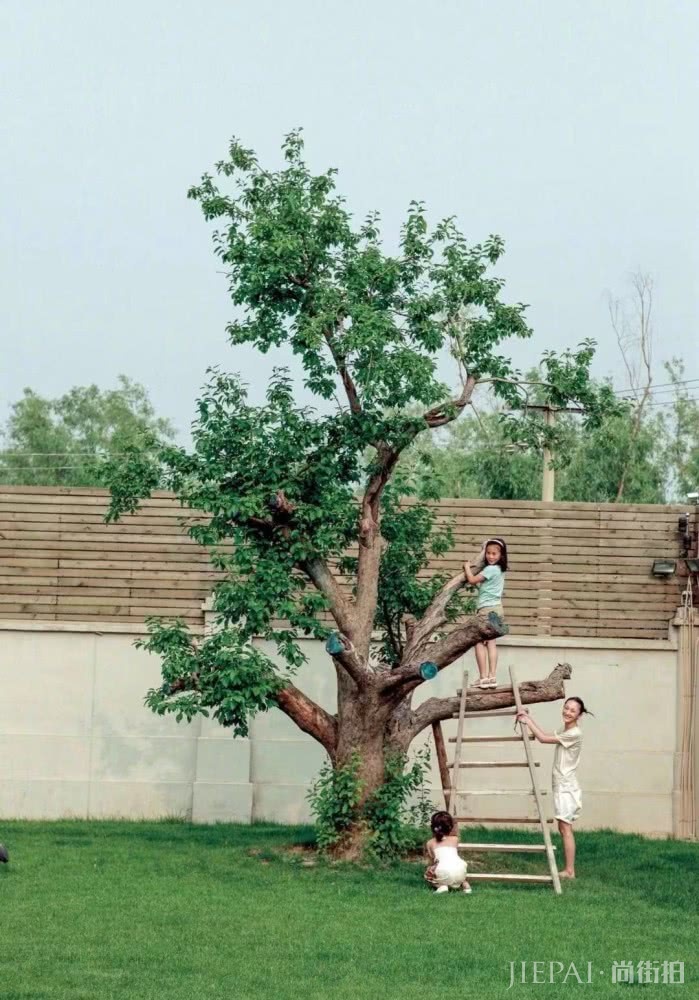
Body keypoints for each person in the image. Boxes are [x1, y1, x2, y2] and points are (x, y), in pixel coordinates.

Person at [516, 696, 592, 879]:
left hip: (566, 786)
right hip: (562, 785)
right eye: (566, 708)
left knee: (565, 828)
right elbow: (544, 734)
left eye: (573, 710)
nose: (568, 712)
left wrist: (527, 721)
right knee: (563, 827)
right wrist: (528, 718)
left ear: (579, 715)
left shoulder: (574, 733)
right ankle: (569, 869)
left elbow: (542, 738)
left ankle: (570, 871)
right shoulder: (566, 730)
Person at [463, 537, 508, 688]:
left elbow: (472, 580)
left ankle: (483, 677)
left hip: (486, 610)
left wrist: (467, 567)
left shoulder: (490, 570)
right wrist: (486, 545)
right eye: (488, 553)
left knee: (478, 641)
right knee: (492, 642)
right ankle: (492, 676)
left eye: (494, 554)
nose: (490, 556)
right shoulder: (501, 570)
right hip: (498, 609)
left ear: (501, 555)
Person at [424, 811, 471, 894]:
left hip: (443, 872)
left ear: (433, 828)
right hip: (461, 871)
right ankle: (465, 885)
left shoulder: (430, 843)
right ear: (450, 827)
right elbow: (455, 834)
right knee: (458, 869)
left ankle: (441, 886)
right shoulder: (455, 839)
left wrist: (430, 868)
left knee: (428, 874)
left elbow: (432, 861)